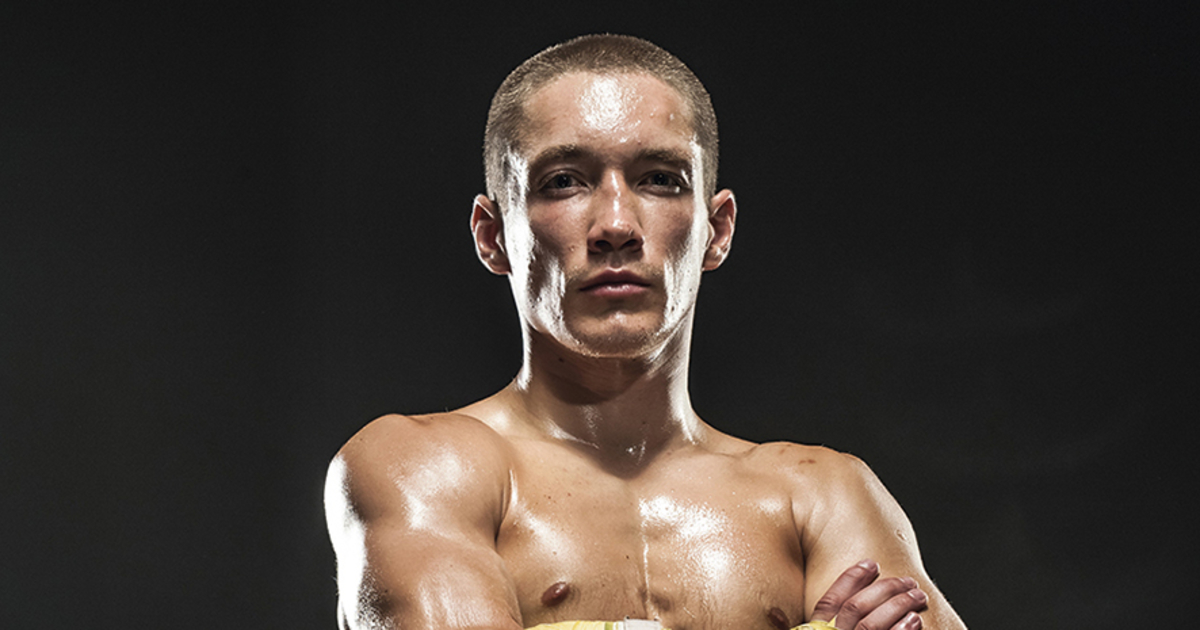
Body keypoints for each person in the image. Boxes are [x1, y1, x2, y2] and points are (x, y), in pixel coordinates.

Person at [324, 34, 967, 630]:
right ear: (493, 236)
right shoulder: (420, 468)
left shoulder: (823, 496)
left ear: (716, 231)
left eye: (660, 180)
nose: (615, 225)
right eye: (563, 182)